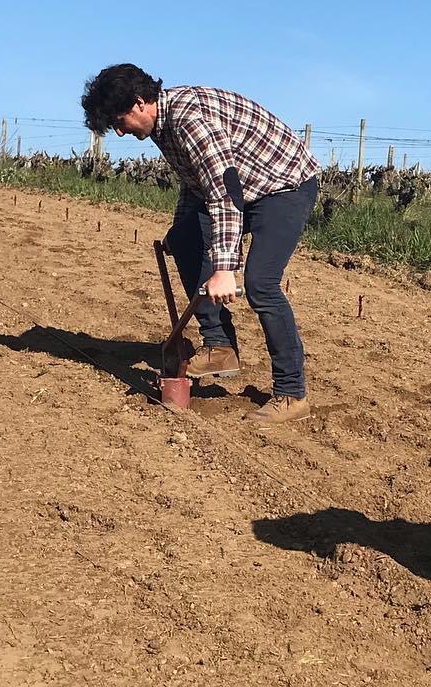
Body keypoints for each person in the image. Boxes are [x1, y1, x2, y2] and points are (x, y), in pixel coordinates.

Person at [82, 63, 320, 424]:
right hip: (243, 188)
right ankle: (220, 344)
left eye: (118, 121)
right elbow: (195, 184)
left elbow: (224, 194)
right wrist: (179, 232)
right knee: (184, 238)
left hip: (283, 187)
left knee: (260, 284)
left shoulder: (190, 122)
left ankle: (292, 393)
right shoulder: (162, 124)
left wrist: (225, 268)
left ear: (140, 103)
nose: (118, 131)